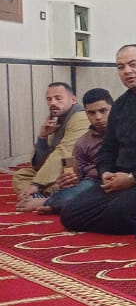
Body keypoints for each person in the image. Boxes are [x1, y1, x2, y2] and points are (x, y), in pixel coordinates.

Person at [60, 45, 136, 235]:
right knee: (69, 213)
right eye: (121, 67)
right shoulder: (120, 104)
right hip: (119, 179)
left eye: (133, 64)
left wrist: (133, 178)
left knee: (119, 211)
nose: (127, 71)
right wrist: (105, 172)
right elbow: (108, 148)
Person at [13, 82, 89, 210]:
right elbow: (39, 165)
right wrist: (42, 137)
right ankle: (43, 195)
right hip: (62, 170)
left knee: (63, 182)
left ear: (73, 100)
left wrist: (36, 184)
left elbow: (63, 152)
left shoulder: (81, 117)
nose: (53, 103)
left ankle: (44, 198)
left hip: (82, 172)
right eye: (49, 99)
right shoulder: (57, 119)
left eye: (58, 98)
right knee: (22, 174)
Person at [41, 88, 112, 214]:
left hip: (122, 179)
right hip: (93, 182)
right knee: (72, 192)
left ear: (113, 108)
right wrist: (67, 180)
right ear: (86, 113)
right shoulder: (83, 142)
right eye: (91, 113)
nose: (98, 117)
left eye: (103, 111)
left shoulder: (125, 132)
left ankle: (49, 202)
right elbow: (76, 174)